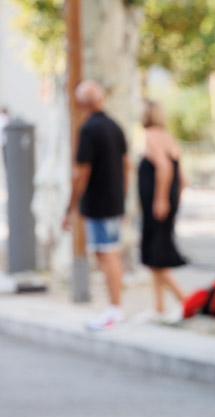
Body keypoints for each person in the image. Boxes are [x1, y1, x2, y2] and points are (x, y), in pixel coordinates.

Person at [63, 80, 129, 331]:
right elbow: (126, 165)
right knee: (110, 253)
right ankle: (116, 306)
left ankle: (115, 308)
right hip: (114, 201)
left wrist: (70, 206)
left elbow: (81, 174)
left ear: (81, 104)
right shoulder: (114, 126)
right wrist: (122, 198)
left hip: (99, 204)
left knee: (106, 254)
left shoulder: (88, 130)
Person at [137, 100, 187, 323]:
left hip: (156, 206)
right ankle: (159, 307)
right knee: (154, 255)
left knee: (157, 255)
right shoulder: (168, 137)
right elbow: (182, 177)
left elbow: (165, 167)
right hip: (167, 203)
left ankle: (185, 301)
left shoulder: (150, 136)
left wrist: (161, 200)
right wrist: (175, 201)